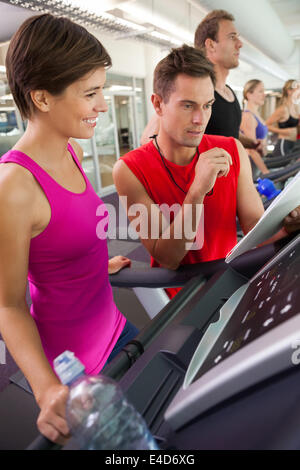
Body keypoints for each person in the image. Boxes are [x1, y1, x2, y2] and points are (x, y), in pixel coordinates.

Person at [0, 14, 138, 445]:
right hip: (78, 370)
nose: (102, 104)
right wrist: (46, 390)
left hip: (117, 327)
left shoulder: (71, 150)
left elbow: (67, 229)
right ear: (42, 97)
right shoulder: (14, 189)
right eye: (91, 93)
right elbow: (8, 306)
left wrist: (94, 263)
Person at [113, 45, 300, 299]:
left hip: (231, 282)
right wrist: (196, 192)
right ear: (158, 104)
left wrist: (287, 227)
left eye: (207, 105)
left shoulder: (231, 149)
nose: (201, 119)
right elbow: (168, 257)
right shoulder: (129, 169)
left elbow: (254, 229)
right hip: (181, 298)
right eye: (188, 106)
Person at [140, 9, 261, 154]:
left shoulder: (229, 92)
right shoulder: (192, 93)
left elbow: (227, 134)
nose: (240, 44)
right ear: (211, 45)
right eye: (232, 37)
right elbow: (147, 140)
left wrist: (251, 143)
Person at [240, 79, 269, 175]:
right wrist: (265, 171)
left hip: (258, 160)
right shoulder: (248, 116)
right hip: (250, 162)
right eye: (260, 91)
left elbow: (261, 147)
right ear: (249, 94)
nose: (264, 94)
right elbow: (251, 150)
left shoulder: (257, 115)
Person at [266, 79, 300, 156]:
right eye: (297, 88)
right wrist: (282, 131)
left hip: (293, 144)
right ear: (289, 91)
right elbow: (266, 125)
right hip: (283, 144)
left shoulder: (295, 108)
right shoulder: (283, 109)